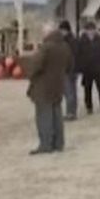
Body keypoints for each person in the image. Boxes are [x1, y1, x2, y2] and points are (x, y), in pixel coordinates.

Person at [26, 22, 73, 155]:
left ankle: (45, 145)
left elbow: (35, 66)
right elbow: (70, 65)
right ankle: (58, 143)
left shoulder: (46, 47)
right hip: (58, 85)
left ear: (48, 32)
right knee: (57, 115)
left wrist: (30, 74)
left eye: (43, 31)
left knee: (44, 116)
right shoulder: (65, 46)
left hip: (43, 86)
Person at [77, 22, 100, 114]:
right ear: (86, 31)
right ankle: (89, 107)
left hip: (98, 68)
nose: (91, 32)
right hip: (87, 69)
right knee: (87, 89)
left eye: (92, 30)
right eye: (89, 30)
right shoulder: (81, 40)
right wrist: (81, 65)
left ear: (95, 30)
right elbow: (78, 53)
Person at [58, 20, 79, 121]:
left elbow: (70, 56)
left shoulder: (68, 41)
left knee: (69, 92)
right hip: (72, 69)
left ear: (64, 30)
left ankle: (70, 113)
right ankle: (72, 112)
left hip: (68, 70)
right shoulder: (72, 40)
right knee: (72, 92)